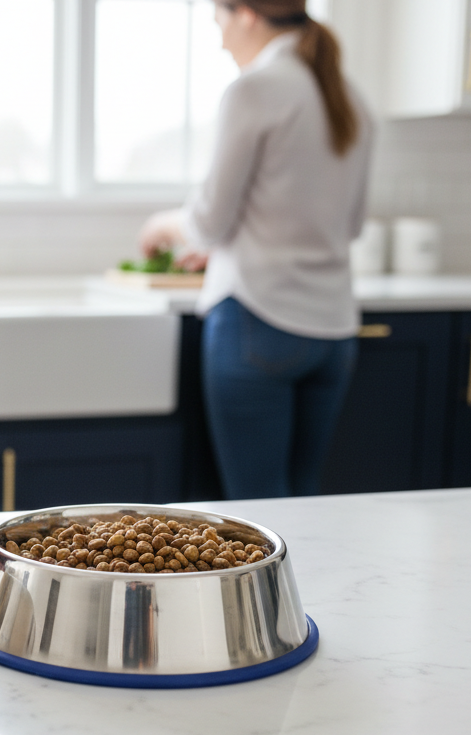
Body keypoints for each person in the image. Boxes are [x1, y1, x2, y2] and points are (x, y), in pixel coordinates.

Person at [138, 0, 373, 500]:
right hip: (333, 332)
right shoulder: (351, 97)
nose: (220, 40)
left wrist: (161, 225)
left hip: (257, 322)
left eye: (219, 22)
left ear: (246, 14)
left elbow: (208, 221)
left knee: (258, 507)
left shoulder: (253, 90)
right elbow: (349, 225)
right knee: (303, 501)